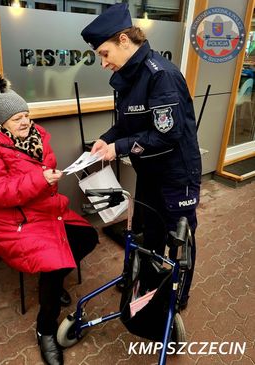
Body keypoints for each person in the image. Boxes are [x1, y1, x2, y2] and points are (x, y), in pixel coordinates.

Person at [0, 70, 98, 365]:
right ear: (1, 122)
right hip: (11, 222)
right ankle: (46, 330)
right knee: (54, 259)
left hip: (44, 210)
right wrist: (42, 180)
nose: (25, 121)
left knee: (88, 237)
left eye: (26, 114)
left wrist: (48, 179)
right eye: (17, 118)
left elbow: (41, 175)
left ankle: (51, 283)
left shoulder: (36, 137)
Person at [81, 3, 201, 309]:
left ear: (124, 40)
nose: (103, 63)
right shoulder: (128, 77)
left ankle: (178, 296)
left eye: (104, 54)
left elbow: (166, 133)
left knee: (179, 239)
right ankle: (146, 281)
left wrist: (118, 148)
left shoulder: (161, 76)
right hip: (149, 171)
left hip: (176, 174)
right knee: (151, 232)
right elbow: (126, 123)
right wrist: (106, 139)